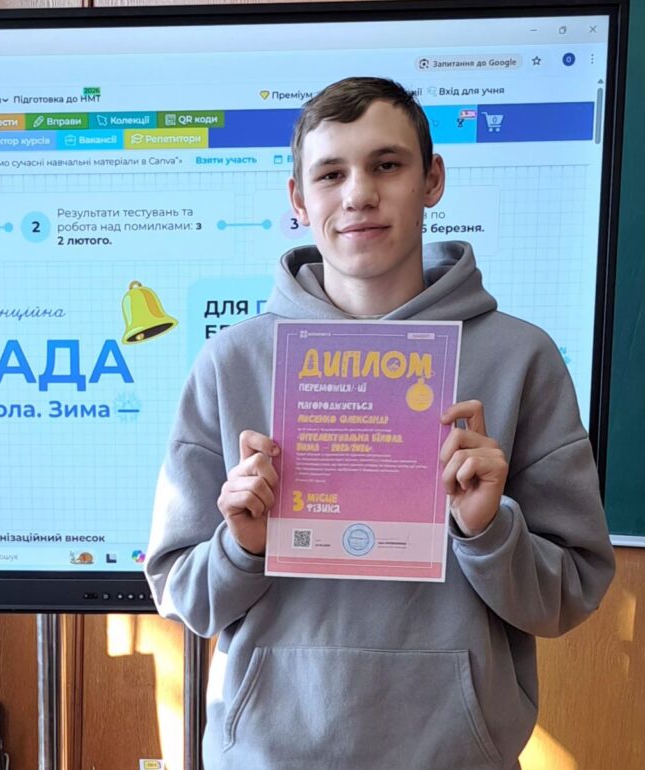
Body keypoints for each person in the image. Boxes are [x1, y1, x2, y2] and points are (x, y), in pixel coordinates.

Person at [145, 76, 615, 769]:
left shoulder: (522, 359)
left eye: (386, 165)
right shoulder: (232, 362)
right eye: (331, 174)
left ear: (432, 180)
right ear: (299, 200)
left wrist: (488, 531)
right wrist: (242, 546)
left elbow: (571, 591)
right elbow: (181, 593)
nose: (359, 194)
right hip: (267, 756)